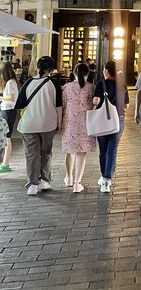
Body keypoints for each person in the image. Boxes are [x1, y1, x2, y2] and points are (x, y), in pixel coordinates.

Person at [14, 56, 62, 196]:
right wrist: (59, 123)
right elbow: (59, 106)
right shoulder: (54, 84)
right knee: (45, 152)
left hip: (29, 125)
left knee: (32, 155)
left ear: (38, 67)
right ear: (51, 68)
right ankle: (45, 180)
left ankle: (33, 184)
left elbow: (19, 104)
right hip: (48, 124)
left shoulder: (28, 82)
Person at [94, 61, 129, 194]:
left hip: (102, 120)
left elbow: (95, 101)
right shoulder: (122, 85)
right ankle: (107, 179)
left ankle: (104, 176)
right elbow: (126, 106)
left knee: (103, 150)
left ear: (106, 71)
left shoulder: (101, 84)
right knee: (112, 149)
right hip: (118, 120)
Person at [61, 63, 96, 193]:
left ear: (73, 73)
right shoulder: (91, 88)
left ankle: (68, 178)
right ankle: (77, 183)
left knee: (70, 151)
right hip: (86, 124)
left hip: (69, 122)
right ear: (88, 74)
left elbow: (63, 105)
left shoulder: (66, 87)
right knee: (81, 153)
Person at [0, 62, 20, 173]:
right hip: (7, 110)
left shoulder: (10, 82)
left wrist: (1, 98)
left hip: (8, 111)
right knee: (6, 136)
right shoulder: (11, 82)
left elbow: (12, 98)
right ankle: (4, 162)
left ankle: (6, 163)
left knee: (7, 137)